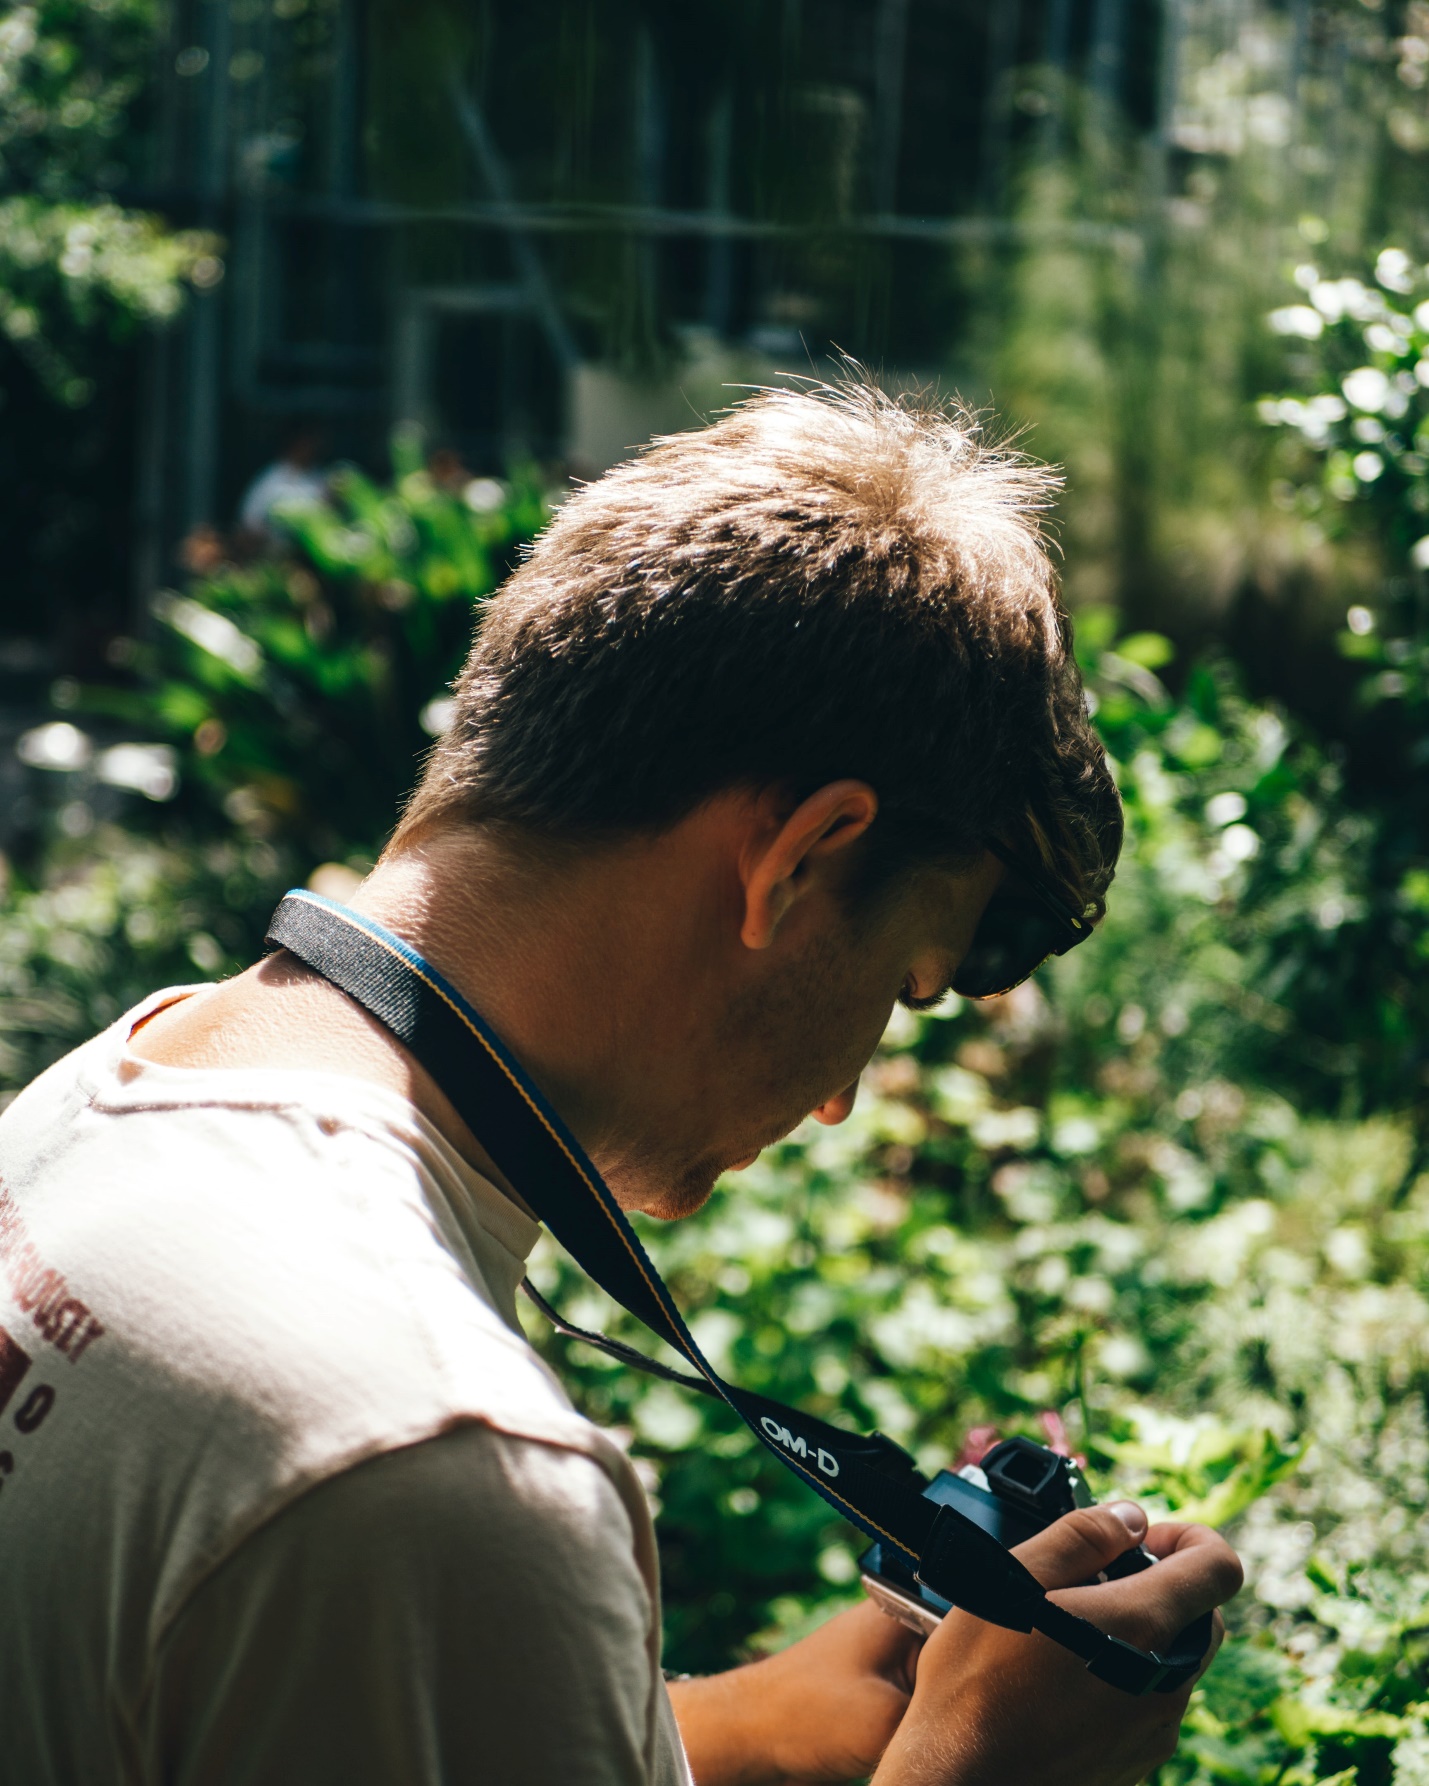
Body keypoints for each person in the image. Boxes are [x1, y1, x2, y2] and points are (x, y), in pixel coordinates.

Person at [0, 379, 1242, 1786]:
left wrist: (735, 1727)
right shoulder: (434, 1458)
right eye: (901, 980)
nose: (840, 1097)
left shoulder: (107, 1097)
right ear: (802, 860)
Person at [235, 423, 329, 547]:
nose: (309, 448)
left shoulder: (320, 477)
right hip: (275, 551)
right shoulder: (271, 478)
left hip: (315, 554)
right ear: (294, 444)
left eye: (312, 443)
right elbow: (250, 520)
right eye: (305, 443)